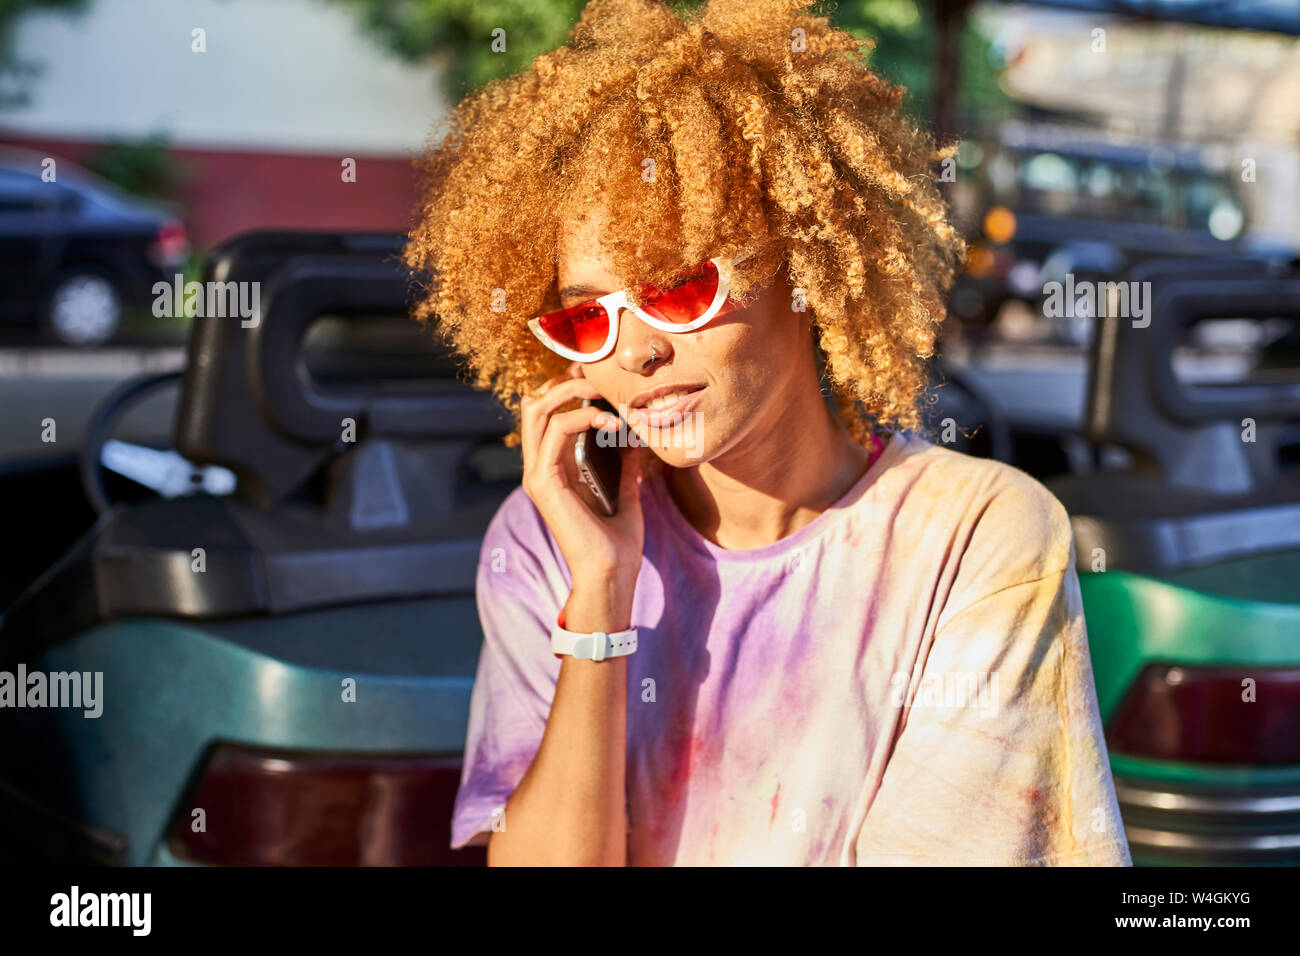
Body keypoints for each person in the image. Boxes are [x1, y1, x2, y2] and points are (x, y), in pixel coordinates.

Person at [403, 0, 1131, 866]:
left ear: (807, 258)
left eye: (676, 289)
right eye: (585, 318)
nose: (634, 349)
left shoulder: (977, 537)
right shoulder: (547, 544)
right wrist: (599, 597)